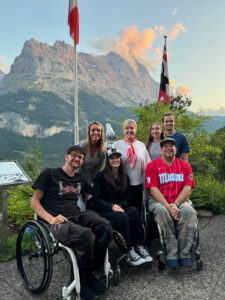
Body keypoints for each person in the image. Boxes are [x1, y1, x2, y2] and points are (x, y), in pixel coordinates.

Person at [30, 145, 112, 300]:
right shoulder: (50, 174)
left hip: (76, 215)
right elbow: (34, 202)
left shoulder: (79, 179)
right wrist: (50, 219)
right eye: (74, 155)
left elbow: (95, 191)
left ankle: (90, 273)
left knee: (105, 227)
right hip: (56, 222)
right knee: (86, 236)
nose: (77, 159)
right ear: (66, 157)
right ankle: (79, 283)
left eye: (81, 157)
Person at [91, 147, 153, 266]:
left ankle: (139, 245)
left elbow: (129, 198)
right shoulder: (100, 177)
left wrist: (119, 206)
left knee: (134, 211)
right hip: (105, 210)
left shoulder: (125, 177)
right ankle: (128, 249)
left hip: (120, 208)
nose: (115, 160)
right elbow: (96, 199)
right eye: (112, 158)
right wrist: (112, 207)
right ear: (108, 160)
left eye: (117, 157)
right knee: (122, 216)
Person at [145, 138, 197, 268]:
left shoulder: (185, 166)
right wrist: (168, 207)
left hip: (180, 200)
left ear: (176, 149)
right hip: (159, 201)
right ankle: (172, 252)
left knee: (189, 211)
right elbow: (153, 189)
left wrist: (176, 205)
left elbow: (187, 188)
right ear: (161, 150)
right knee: (162, 211)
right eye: (165, 146)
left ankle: (184, 252)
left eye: (171, 146)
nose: (168, 148)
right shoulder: (152, 166)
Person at [115, 119, 151, 215]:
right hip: (121, 185)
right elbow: (110, 163)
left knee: (137, 213)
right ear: (123, 130)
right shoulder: (116, 144)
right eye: (127, 128)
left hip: (137, 186)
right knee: (122, 213)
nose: (129, 130)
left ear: (136, 130)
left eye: (132, 128)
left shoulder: (141, 145)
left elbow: (148, 165)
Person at [79, 121, 105, 187]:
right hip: (77, 180)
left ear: (101, 133)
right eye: (93, 130)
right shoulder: (81, 147)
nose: (96, 132)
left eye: (98, 130)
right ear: (89, 132)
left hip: (91, 182)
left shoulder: (102, 151)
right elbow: (77, 167)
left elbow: (97, 170)